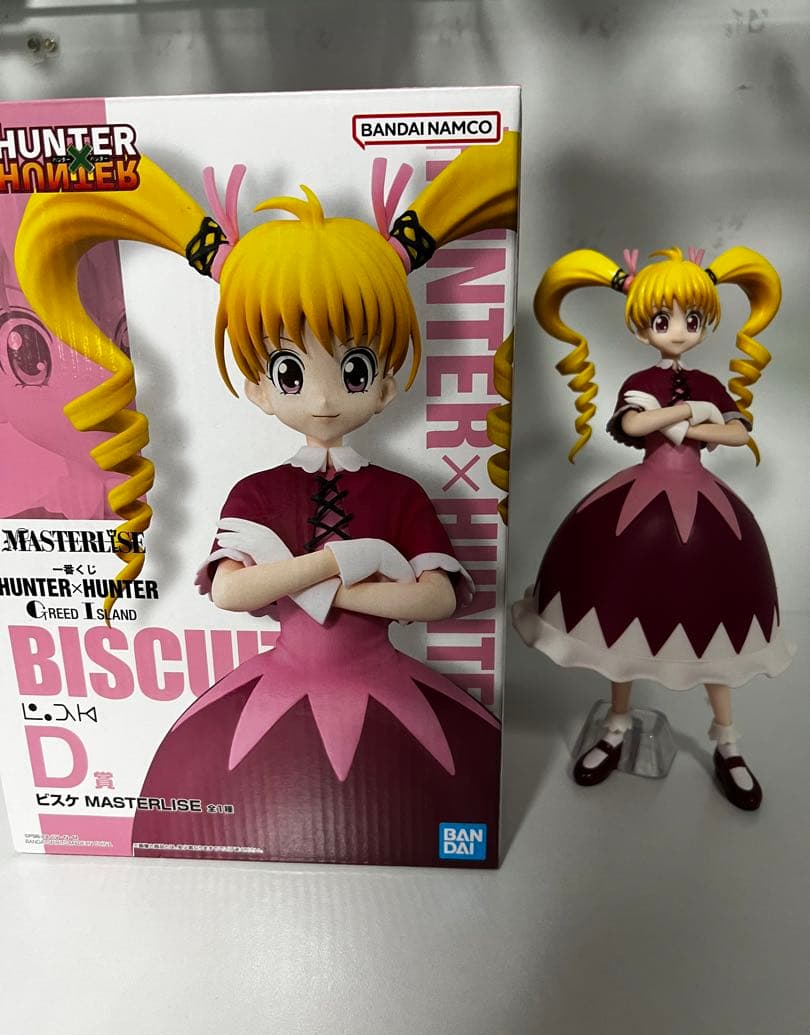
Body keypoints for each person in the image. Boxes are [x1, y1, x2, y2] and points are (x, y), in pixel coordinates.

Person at [15, 134, 519, 862]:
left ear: (385, 384)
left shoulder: (401, 491)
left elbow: (439, 598)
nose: (322, 398)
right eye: (290, 372)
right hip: (272, 692)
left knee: (428, 808)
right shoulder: (257, 491)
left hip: (386, 686)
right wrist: (345, 560)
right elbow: (229, 590)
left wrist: (314, 578)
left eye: (352, 369)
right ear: (258, 387)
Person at [512, 246, 793, 810]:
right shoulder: (643, 379)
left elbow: (738, 434)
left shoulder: (710, 382)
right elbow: (635, 424)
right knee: (620, 625)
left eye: (693, 319)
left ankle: (728, 741)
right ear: (643, 329)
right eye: (664, 321)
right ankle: (616, 726)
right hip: (637, 501)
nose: (679, 331)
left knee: (718, 629)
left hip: (707, 507)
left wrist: (694, 422)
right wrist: (690, 414)